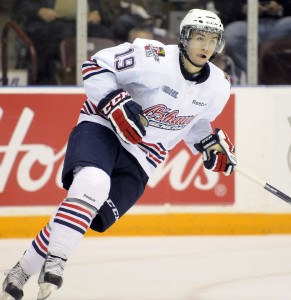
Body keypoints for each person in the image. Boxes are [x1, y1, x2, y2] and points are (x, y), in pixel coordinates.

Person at [0, 9, 237, 300]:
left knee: (86, 211)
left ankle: (21, 271)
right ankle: (56, 262)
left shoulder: (218, 86)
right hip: (104, 127)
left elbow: (195, 121)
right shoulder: (153, 57)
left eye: (213, 40)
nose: (206, 47)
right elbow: (95, 67)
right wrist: (115, 103)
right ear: (185, 38)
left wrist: (208, 146)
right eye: (199, 38)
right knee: (93, 184)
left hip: (146, 156)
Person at [11, 0, 113, 84]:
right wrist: (39, 11)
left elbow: (106, 10)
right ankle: (48, 81)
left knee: (106, 35)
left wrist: (98, 14)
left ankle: (107, 82)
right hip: (48, 26)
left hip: (84, 24)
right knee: (62, 33)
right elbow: (20, 7)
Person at [215, 0, 291, 77]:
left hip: (281, 23)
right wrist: (242, 8)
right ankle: (251, 76)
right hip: (245, 22)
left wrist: (281, 8)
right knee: (232, 34)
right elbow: (221, 4)